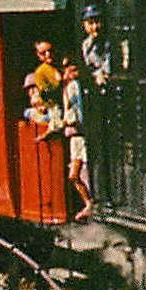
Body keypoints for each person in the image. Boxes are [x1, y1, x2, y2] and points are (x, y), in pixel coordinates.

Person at [61, 62, 93, 221]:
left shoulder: (73, 86)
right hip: (74, 138)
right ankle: (88, 203)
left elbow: (74, 113)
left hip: (79, 136)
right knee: (74, 175)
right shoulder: (68, 88)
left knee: (79, 174)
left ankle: (89, 204)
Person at [80, 6, 111, 87]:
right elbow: (88, 66)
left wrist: (104, 74)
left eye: (97, 22)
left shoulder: (109, 41)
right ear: (84, 25)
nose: (95, 27)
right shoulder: (86, 45)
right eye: (90, 23)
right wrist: (97, 74)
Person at [32, 39, 61, 107]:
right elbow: (47, 92)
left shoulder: (60, 64)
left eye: (50, 51)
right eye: (43, 53)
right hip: (53, 106)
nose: (48, 54)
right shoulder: (40, 72)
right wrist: (61, 82)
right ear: (38, 55)